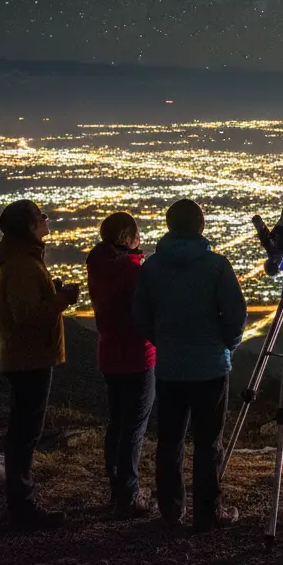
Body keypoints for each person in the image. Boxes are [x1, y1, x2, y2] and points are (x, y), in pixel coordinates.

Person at [132, 199, 247, 530]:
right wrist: (225, 346)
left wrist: (163, 341)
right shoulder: (216, 265)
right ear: (201, 226)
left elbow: (140, 316)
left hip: (169, 368)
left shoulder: (151, 267)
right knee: (209, 443)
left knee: (169, 442)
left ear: (169, 226)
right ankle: (208, 513)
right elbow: (236, 315)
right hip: (210, 368)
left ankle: (171, 513)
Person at [0, 199, 81, 528]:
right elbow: (27, 318)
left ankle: (20, 502)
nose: (46, 220)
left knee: (23, 431)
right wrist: (61, 300)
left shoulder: (21, 260)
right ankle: (22, 507)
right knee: (25, 433)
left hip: (25, 356)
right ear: (29, 227)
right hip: (28, 359)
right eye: (41, 216)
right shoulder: (24, 266)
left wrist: (51, 295)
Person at [86, 211, 156, 516]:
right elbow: (145, 314)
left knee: (117, 423)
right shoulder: (132, 271)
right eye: (136, 234)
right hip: (138, 356)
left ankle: (118, 487)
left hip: (109, 354)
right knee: (134, 427)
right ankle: (128, 496)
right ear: (127, 239)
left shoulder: (97, 265)